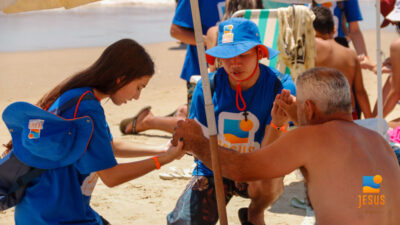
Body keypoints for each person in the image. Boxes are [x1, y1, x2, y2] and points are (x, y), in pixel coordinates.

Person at [172, 67, 400, 225]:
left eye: (300, 107)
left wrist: (197, 142)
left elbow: (241, 168)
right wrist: (292, 113)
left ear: (309, 108)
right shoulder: (378, 142)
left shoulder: (312, 138)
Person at [3, 39, 185, 225]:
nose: (137, 96)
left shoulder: (79, 96)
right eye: (139, 87)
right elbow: (111, 177)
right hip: (55, 215)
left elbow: (111, 146)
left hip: (38, 209)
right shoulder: (87, 109)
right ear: (121, 78)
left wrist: (161, 149)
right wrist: (163, 160)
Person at [167, 18, 290, 225]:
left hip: (258, 169)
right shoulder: (207, 88)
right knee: (185, 222)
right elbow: (199, 148)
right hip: (214, 167)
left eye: (243, 55)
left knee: (271, 179)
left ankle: (254, 213)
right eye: (227, 56)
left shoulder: (280, 87)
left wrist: (278, 124)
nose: (234, 63)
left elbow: (273, 156)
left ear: (259, 54)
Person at [119, 0, 225, 135]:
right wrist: (210, 42)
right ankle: (149, 121)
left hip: (230, 68)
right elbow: (176, 31)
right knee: (204, 129)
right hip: (201, 70)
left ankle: (182, 112)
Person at [312, 6, 372, 119]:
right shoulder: (350, 55)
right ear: (334, 29)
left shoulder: (310, 53)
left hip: (319, 116)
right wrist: (370, 119)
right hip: (348, 115)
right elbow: (360, 93)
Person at [362, 0, 400, 118]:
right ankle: (375, 117)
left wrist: (377, 122)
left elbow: (395, 93)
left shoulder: (397, 46)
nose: (393, 25)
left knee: (392, 80)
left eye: (392, 21)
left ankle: (375, 118)